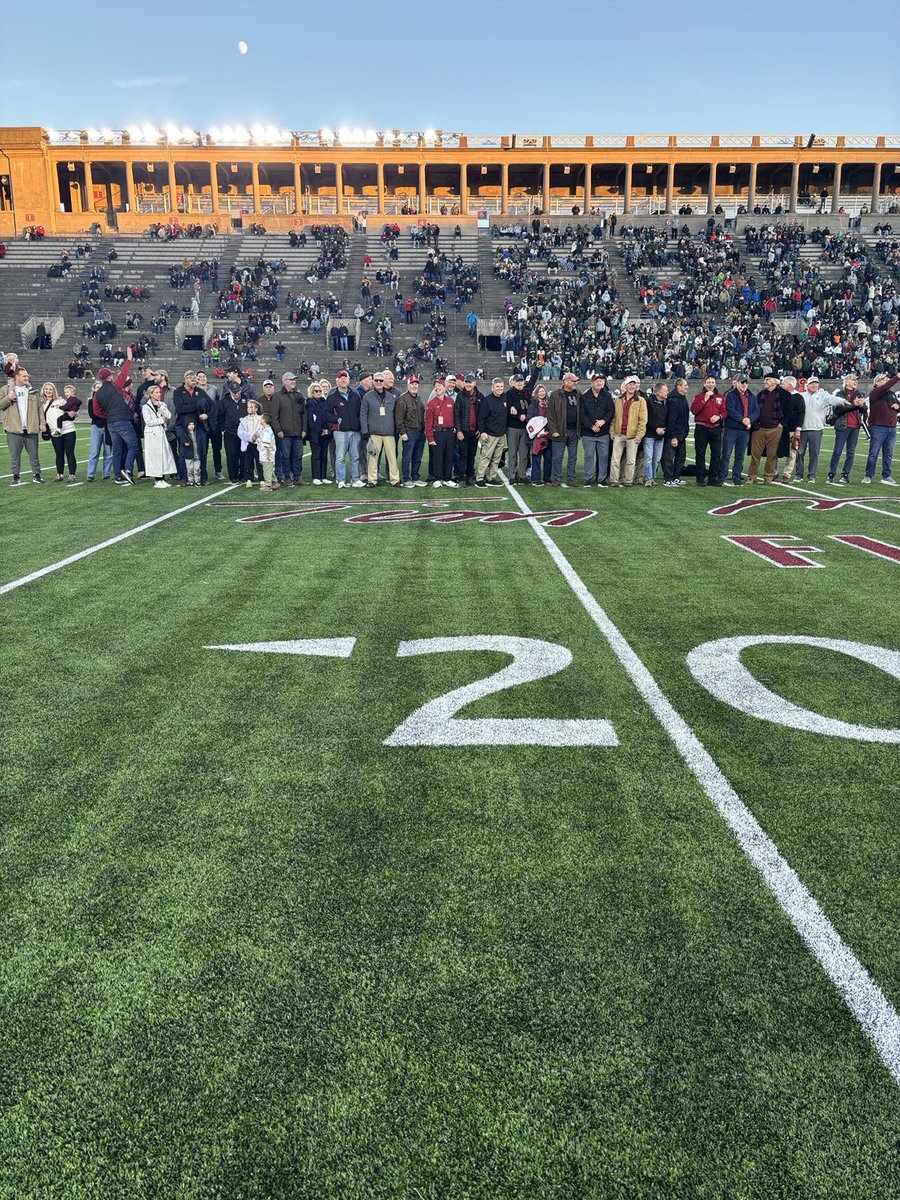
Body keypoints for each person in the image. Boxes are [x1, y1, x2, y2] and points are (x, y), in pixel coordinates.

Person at [95, 358, 139, 484]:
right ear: (109, 377)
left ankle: (118, 476)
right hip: (122, 420)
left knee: (117, 451)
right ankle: (128, 470)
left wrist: (109, 415)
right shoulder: (115, 385)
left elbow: (97, 411)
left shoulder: (97, 394)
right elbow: (124, 373)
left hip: (111, 423)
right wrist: (129, 359)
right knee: (133, 446)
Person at [1, 365, 45, 484]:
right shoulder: (5, 390)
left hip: (31, 427)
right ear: (17, 377)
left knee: (34, 454)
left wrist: (42, 423)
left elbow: (39, 409)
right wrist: (8, 398)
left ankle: (37, 475)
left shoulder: (33, 391)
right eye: (24, 376)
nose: (27, 377)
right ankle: (15, 477)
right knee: (14, 455)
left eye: (27, 375)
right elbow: (1, 405)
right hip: (13, 428)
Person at [326, 369, 364, 489]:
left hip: (355, 431)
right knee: (340, 457)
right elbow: (327, 414)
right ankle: (340, 480)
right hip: (340, 431)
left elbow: (360, 412)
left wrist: (358, 424)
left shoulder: (355, 395)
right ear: (337, 381)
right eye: (340, 378)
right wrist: (337, 419)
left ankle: (356, 479)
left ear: (348, 380)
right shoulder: (332, 397)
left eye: (345, 378)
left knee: (355, 456)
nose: (343, 380)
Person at [360, 372, 400, 487]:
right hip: (374, 432)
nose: (378, 382)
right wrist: (365, 431)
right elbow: (363, 414)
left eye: (381, 381)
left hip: (389, 432)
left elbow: (395, 414)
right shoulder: (367, 396)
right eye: (376, 380)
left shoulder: (391, 397)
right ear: (373, 381)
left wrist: (396, 430)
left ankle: (395, 479)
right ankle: (372, 480)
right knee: (373, 457)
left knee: (392, 457)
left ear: (384, 382)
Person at [827, 373, 867, 486]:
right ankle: (831, 474)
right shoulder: (840, 393)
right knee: (837, 451)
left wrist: (860, 405)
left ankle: (845, 474)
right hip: (843, 426)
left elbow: (864, 409)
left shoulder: (858, 393)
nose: (856, 381)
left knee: (851, 452)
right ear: (847, 381)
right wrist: (855, 405)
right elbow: (838, 409)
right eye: (853, 379)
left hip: (855, 427)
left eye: (856, 380)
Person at [719, 373, 758, 487]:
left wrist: (749, 419)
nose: (744, 385)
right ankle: (722, 476)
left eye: (746, 382)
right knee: (726, 454)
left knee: (740, 455)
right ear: (737, 383)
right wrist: (743, 420)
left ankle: (736, 477)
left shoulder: (752, 396)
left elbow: (756, 411)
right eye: (742, 382)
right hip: (731, 428)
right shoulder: (730, 395)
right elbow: (730, 410)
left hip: (744, 430)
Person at [172, 370, 211, 485]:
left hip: (198, 425)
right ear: (186, 379)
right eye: (192, 380)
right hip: (182, 426)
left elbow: (210, 404)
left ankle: (203, 477)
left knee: (201, 450)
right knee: (183, 451)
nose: (195, 382)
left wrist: (206, 414)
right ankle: (184, 478)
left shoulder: (199, 391)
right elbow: (180, 409)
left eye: (196, 380)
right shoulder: (178, 392)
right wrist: (197, 406)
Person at [609, 375, 647, 488]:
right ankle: (614, 480)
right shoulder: (618, 400)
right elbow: (614, 417)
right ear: (625, 385)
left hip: (633, 435)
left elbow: (643, 419)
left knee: (631, 460)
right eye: (630, 384)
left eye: (634, 384)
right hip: (619, 434)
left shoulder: (641, 401)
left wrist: (640, 435)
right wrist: (612, 431)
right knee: (615, 460)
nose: (632, 386)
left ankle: (628, 480)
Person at [747, 371, 785, 485]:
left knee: (772, 455)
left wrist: (781, 424)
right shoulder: (761, 394)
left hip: (775, 429)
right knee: (755, 455)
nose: (765, 382)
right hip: (759, 428)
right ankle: (751, 476)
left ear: (774, 381)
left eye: (767, 379)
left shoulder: (784, 394)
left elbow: (788, 411)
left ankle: (768, 477)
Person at [270, 371, 307, 486]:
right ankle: (287, 477)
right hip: (284, 433)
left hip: (298, 432)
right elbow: (274, 416)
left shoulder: (299, 395)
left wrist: (304, 429)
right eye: (291, 379)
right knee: (285, 456)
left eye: (294, 379)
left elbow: (304, 414)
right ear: (284, 381)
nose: (293, 381)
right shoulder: (277, 396)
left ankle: (297, 476)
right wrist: (278, 430)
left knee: (298, 455)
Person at [862, 372, 900, 485]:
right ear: (877, 382)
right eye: (884, 379)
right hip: (878, 426)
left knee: (888, 454)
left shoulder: (891, 394)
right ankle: (868, 475)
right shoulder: (875, 392)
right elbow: (886, 386)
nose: (887, 380)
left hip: (891, 427)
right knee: (874, 453)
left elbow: (897, 405)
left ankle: (886, 475)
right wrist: (896, 377)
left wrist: (898, 407)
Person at [795, 377, 834, 484]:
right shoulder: (801, 396)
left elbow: (834, 400)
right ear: (807, 385)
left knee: (814, 453)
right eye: (812, 383)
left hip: (816, 429)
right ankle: (799, 474)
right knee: (799, 453)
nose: (814, 385)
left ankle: (811, 475)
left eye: (816, 384)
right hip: (802, 429)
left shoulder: (823, 397)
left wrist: (844, 401)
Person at [690, 376, 726, 487]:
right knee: (700, 453)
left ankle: (712, 478)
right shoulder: (699, 396)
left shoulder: (720, 397)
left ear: (715, 384)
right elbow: (694, 410)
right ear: (704, 384)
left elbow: (724, 412)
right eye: (708, 382)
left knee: (716, 453)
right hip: (702, 427)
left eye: (712, 382)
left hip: (715, 428)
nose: (710, 384)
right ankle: (700, 478)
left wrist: (719, 417)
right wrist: (704, 399)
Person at [580, 372, 614, 487]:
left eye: (602, 381)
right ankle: (588, 478)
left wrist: (603, 421)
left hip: (603, 432)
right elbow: (582, 414)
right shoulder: (584, 397)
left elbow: (611, 411)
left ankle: (601, 479)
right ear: (592, 382)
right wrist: (591, 426)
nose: (600, 383)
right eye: (597, 381)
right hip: (588, 433)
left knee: (604, 456)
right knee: (589, 455)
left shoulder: (607, 396)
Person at [547, 372, 581, 488]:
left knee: (573, 457)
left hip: (573, 431)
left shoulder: (578, 394)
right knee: (557, 457)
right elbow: (550, 415)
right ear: (566, 382)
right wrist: (553, 430)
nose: (575, 383)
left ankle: (571, 478)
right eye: (573, 381)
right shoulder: (555, 395)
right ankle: (557, 478)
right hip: (560, 430)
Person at [42, 382, 80, 483]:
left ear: (54, 390)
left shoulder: (61, 400)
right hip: (55, 432)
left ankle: (72, 475)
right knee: (59, 454)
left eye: (50, 389)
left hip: (68, 430)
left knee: (70, 453)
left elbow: (73, 407)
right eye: (46, 389)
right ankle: (60, 474)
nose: (48, 391)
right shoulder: (42, 403)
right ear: (43, 390)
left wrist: (75, 413)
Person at [474, 377, 508, 487]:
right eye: (497, 386)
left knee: (497, 458)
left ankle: (491, 477)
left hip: (501, 434)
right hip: (490, 434)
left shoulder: (505, 397)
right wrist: (482, 431)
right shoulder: (487, 400)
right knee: (486, 457)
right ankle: (479, 478)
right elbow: (481, 417)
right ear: (492, 387)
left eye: (501, 386)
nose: (500, 388)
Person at [141, 385, 176, 488]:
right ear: (151, 394)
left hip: (161, 432)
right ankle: (157, 479)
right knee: (154, 456)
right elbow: (148, 422)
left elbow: (169, 415)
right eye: (156, 392)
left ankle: (162, 478)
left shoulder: (162, 404)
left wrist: (160, 407)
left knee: (163, 455)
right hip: (152, 434)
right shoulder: (146, 407)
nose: (159, 394)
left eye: (159, 392)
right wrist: (161, 420)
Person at [425, 377, 458, 488]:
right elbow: (428, 423)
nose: (438, 388)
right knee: (437, 456)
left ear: (444, 388)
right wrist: (430, 438)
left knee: (449, 456)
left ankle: (447, 478)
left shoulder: (451, 401)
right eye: (436, 387)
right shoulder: (431, 404)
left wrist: (455, 430)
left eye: (440, 386)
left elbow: (455, 417)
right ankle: (437, 478)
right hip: (438, 432)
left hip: (450, 433)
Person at [397, 375, 427, 487]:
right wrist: (402, 432)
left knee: (417, 457)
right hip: (409, 431)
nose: (414, 386)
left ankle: (415, 476)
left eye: (416, 384)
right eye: (412, 384)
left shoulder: (418, 398)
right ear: (407, 385)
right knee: (407, 457)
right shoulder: (402, 398)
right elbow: (399, 418)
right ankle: (406, 478)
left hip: (419, 432)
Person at [454, 372, 482, 487]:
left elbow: (482, 415)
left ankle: (470, 476)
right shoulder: (460, 396)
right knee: (463, 455)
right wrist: (459, 430)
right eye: (466, 382)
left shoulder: (480, 396)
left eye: (470, 382)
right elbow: (457, 414)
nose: (468, 384)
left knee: (472, 455)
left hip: (474, 431)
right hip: (464, 431)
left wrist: (480, 429)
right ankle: (461, 478)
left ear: (474, 383)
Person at [777, 377, 805, 483]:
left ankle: (786, 474)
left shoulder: (798, 397)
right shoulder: (779, 395)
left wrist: (798, 429)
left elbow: (801, 414)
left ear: (790, 385)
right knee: (774, 450)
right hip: (779, 427)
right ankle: (773, 472)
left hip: (791, 428)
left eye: (783, 383)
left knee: (792, 453)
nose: (781, 385)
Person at [663, 377, 689, 487]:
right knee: (669, 457)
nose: (687, 387)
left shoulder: (682, 398)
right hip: (674, 434)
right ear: (678, 387)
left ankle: (676, 477)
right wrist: (673, 436)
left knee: (681, 457)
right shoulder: (673, 400)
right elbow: (671, 420)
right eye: (685, 385)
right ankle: (668, 479)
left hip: (682, 434)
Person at [505, 372, 531, 484]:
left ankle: (522, 475)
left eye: (521, 381)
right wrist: (517, 415)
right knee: (512, 453)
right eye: (518, 381)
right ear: (513, 383)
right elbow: (508, 411)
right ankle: (512, 476)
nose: (520, 383)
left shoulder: (526, 393)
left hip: (525, 427)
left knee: (524, 453)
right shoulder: (509, 393)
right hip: (513, 427)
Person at [85, 377, 112, 482]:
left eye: (101, 387)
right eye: (97, 387)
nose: (99, 389)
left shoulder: (108, 399)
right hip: (96, 426)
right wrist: (105, 416)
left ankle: (106, 473)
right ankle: (90, 474)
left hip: (107, 427)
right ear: (94, 389)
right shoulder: (91, 401)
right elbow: (93, 415)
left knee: (108, 452)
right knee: (94, 451)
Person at [643, 382, 669, 487]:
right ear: (658, 392)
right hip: (649, 435)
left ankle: (652, 477)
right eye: (665, 390)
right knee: (649, 458)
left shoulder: (666, 403)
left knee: (657, 459)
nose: (667, 392)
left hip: (661, 435)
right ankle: (648, 478)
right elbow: (646, 419)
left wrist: (664, 429)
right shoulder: (648, 402)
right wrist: (655, 428)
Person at [527, 383, 553, 486]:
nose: (542, 393)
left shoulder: (549, 403)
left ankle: (547, 478)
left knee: (548, 456)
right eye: (539, 391)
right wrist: (538, 432)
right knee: (536, 456)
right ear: (536, 393)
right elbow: (530, 420)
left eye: (543, 391)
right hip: (538, 434)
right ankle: (536, 479)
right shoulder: (533, 404)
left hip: (548, 433)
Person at [305, 382, 331, 485]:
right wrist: (316, 430)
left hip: (325, 432)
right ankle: (316, 477)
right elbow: (310, 419)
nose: (319, 392)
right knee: (316, 455)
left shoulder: (323, 401)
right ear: (312, 392)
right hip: (315, 433)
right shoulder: (310, 402)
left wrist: (327, 429)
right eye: (316, 391)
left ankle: (323, 476)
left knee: (324, 455)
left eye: (320, 391)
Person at [237, 399, 264, 487]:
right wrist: (251, 436)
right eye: (248, 407)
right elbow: (240, 432)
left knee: (260, 462)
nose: (249, 409)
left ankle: (262, 478)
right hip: (248, 444)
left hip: (258, 444)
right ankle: (249, 478)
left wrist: (258, 435)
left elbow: (264, 429)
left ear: (256, 409)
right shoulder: (243, 420)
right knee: (248, 463)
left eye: (251, 407)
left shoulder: (261, 419)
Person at [256, 412, 277, 492]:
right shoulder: (267, 429)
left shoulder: (266, 432)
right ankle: (275, 482)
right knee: (270, 470)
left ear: (264, 420)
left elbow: (267, 445)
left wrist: (268, 455)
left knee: (267, 470)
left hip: (266, 455)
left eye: (261, 418)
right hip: (269, 454)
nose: (259, 419)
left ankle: (268, 485)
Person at [181, 421, 202, 486]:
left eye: (193, 424)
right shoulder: (185, 434)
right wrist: (185, 443)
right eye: (190, 424)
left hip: (197, 454)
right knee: (189, 469)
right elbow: (183, 441)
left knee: (197, 469)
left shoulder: (197, 433)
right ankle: (190, 481)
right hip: (188, 454)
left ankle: (197, 481)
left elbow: (200, 442)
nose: (191, 426)